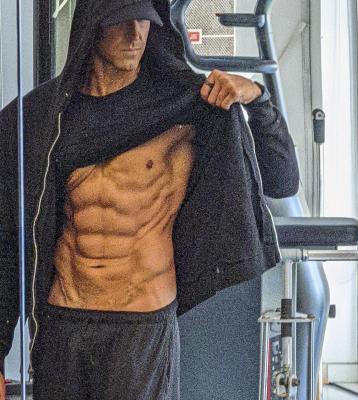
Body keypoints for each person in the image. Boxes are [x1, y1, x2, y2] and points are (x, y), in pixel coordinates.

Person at [0, 0, 299, 399]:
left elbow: (283, 181)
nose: (135, 34)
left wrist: (258, 100)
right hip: (63, 321)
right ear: (92, 26)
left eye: (144, 21)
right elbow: (8, 239)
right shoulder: (43, 118)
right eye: (122, 21)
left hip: (139, 325)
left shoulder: (188, 106)